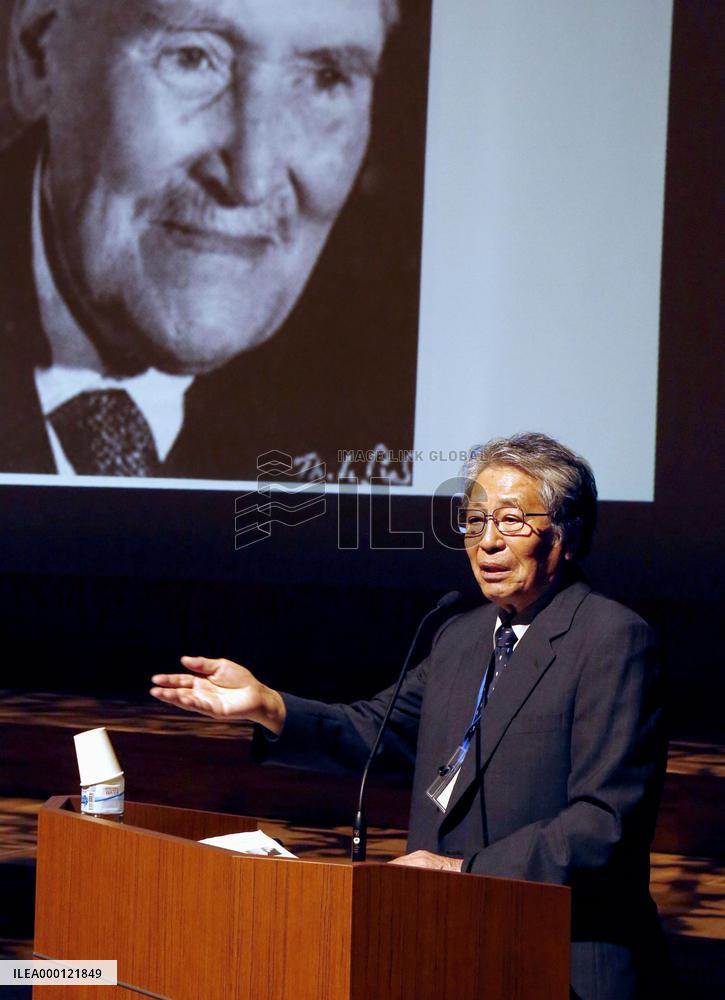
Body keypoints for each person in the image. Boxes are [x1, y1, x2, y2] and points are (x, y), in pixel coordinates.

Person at [150, 431, 670, 999]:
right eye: (475, 522)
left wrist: (463, 872)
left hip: (558, 958)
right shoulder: (459, 637)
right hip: (445, 944)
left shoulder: (612, 639)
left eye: (511, 521)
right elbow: (376, 732)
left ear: (566, 535)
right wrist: (269, 706)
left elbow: (605, 825)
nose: (487, 542)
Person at [0, 0, 416, 480]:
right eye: (192, 57)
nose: (252, 178)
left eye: (326, 78)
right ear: (39, 55)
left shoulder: (399, 401)